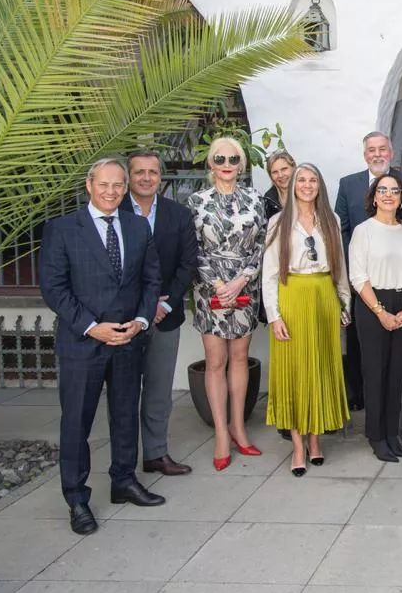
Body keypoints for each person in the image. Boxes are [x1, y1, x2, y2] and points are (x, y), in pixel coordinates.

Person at [40, 158, 165, 535]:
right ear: (89, 185)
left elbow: (150, 280)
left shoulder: (137, 226)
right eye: (104, 184)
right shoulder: (62, 229)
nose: (111, 191)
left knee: (126, 414)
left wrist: (141, 322)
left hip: (128, 340)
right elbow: (54, 289)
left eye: (118, 185)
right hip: (84, 343)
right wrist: (93, 328)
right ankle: (76, 498)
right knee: (77, 421)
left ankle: (123, 481)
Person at [262, 163, 351, 475]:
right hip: (293, 297)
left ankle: (316, 440)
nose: (307, 184)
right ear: (293, 184)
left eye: (313, 179)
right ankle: (297, 445)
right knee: (296, 370)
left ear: (320, 186)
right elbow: (270, 274)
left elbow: (339, 267)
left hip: (323, 296)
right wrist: (274, 316)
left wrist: (344, 304)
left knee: (321, 367)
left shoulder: (332, 220)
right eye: (302, 179)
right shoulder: (278, 223)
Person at [186, 137, 267, 469]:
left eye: (233, 158)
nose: (227, 163)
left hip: (244, 287)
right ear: (210, 162)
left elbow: (261, 245)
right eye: (220, 157)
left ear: (242, 163)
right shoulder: (195, 201)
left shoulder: (255, 200)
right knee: (215, 360)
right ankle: (221, 432)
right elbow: (192, 249)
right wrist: (220, 284)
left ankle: (238, 426)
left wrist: (240, 280)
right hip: (210, 290)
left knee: (239, 357)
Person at [122, 150, 199, 477]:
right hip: (123, 319)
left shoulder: (177, 214)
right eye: (139, 172)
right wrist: (141, 305)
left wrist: (164, 304)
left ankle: (155, 453)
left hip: (164, 316)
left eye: (152, 172)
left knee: (158, 389)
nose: (146, 177)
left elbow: (188, 264)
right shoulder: (114, 211)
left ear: (160, 176)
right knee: (123, 392)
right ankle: (123, 461)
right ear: (128, 176)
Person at [336, 132, 402, 412]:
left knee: (393, 364)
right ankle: (358, 398)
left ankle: (388, 422)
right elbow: (343, 230)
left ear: (391, 152)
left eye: (382, 149)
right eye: (371, 150)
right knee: (363, 353)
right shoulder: (348, 184)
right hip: (362, 283)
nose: (377, 154)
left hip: (399, 280)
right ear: (365, 155)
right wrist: (356, 276)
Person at [348, 173, 402, 461]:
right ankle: (376, 436)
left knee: (396, 374)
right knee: (375, 372)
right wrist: (381, 312)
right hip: (372, 306)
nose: (389, 195)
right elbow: (358, 276)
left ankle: (392, 434)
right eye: (383, 190)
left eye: (395, 190)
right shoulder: (363, 231)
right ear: (374, 196)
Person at [262, 149, 296, 220]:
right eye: (275, 172)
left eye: (284, 169)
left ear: (293, 167)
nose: (280, 175)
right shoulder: (268, 201)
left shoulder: (308, 193)